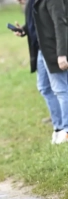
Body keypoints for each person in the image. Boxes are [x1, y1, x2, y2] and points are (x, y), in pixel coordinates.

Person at [32, 0, 68, 144]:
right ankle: (59, 127)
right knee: (44, 87)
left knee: (61, 89)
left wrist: (62, 54)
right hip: (42, 50)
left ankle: (66, 130)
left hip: (55, 50)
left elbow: (60, 24)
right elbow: (41, 21)